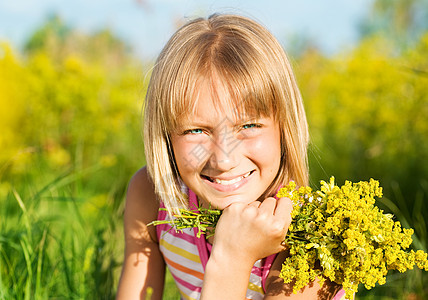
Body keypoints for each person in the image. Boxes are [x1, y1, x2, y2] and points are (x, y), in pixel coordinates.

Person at [117, 13, 345, 300]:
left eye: (248, 126)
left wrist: (233, 257)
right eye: (196, 130)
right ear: (165, 135)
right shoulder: (152, 198)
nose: (224, 160)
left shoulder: (310, 234)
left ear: (284, 128)